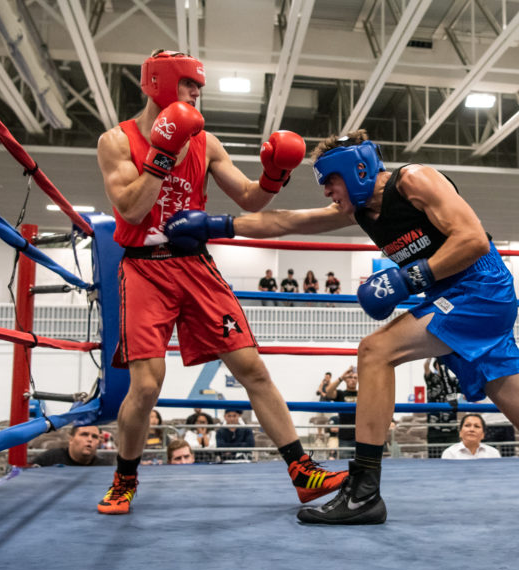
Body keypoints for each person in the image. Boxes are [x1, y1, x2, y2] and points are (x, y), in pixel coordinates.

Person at [164, 129, 519, 525]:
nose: (328, 192)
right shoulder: (360, 209)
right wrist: (215, 226)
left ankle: (365, 491)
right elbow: (286, 221)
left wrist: (409, 276)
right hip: (458, 297)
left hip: (479, 291)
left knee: (375, 352)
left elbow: (474, 241)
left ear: (359, 168)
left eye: (332, 180)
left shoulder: (416, 180)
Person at [93, 49, 346, 513]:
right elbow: (129, 210)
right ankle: (124, 479)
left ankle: (302, 470)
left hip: (194, 264)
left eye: (197, 85)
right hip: (144, 267)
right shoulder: (116, 140)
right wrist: (162, 155)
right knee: (146, 386)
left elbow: (251, 200)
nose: (196, 92)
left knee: (252, 368)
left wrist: (275, 174)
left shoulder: (205, 143)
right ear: (162, 84)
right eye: (189, 84)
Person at [423, 357, 458, 458]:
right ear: (436, 366)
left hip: (451, 427)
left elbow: (465, 392)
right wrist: (431, 355)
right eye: (440, 364)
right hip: (435, 426)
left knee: (453, 456)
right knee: (434, 456)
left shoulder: (453, 381)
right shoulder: (431, 378)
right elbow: (426, 367)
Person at [31, 425, 110, 467]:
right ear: (71, 439)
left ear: (99, 442)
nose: (90, 439)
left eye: (94, 437)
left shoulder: (104, 467)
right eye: (84, 434)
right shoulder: (48, 460)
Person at [324, 366, 358, 459]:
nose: (353, 380)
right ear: (346, 380)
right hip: (344, 437)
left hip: (360, 437)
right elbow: (328, 392)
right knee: (345, 465)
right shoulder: (340, 394)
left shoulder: (362, 394)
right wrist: (341, 377)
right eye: (350, 377)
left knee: (362, 466)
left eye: (355, 378)